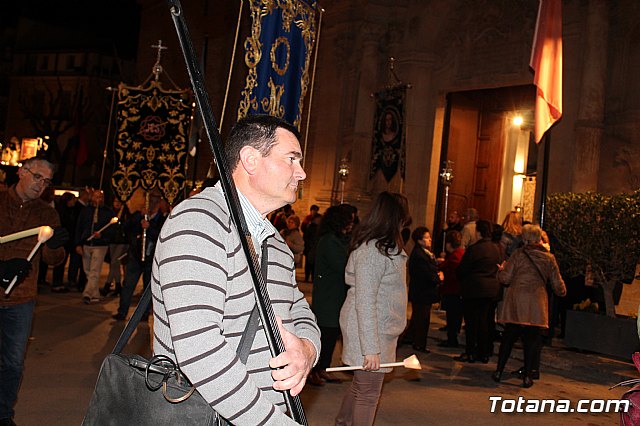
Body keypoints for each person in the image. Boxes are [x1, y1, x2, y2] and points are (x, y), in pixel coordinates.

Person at [151, 115, 320, 424]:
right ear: (251, 160)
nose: (302, 172)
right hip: (206, 415)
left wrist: (308, 350)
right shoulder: (199, 221)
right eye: (291, 159)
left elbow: (299, 309)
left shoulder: (276, 243)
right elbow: (199, 349)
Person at [0, 157, 68, 425]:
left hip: (21, 299)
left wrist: (55, 247)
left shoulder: (46, 214)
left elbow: (53, 261)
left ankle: (3, 413)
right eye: (37, 177)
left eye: (47, 181)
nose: (42, 185)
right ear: (21, 172)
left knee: (13, 364)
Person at [335, 191, 411, 426]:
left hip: (378, 329)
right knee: (368, 393)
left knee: (362, 386)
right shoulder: (372, 252)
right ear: (394, 219)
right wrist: (371, 349)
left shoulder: (383, 248)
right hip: (369, 330)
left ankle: (342, 423)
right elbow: (365, 301)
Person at [492, 224, 566, 388]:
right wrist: (562, 291)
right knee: (531, 341)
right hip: (536, 302)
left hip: (516, 302)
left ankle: (498, 371)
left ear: (524, 238)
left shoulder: (518, 255)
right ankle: (527, 376)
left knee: (509, 338)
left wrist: (501, 270)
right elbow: (558, 285)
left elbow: (505, 278)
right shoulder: (549, 258)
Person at [308, 204, 354, 386]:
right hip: (328, 296)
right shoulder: (329, 241)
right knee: (325, 335)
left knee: (332, 333)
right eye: (349, 219)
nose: (352, 223)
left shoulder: (338, 239)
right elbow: (342, 266)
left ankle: (324, 369)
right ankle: (314, 371)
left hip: (336, 296)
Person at [111, 193, 165, 321]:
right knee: (128, 285)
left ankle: (144, 314)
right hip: (135, 256)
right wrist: (139, 217)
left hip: (150, 258)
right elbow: (126, 227)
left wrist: (149, 228)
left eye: (153, 201)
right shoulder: (139, 215)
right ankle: (122, 311)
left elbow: (161, 236)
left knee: (147, 288)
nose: (150, 204)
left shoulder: (162, 220)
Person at [454, 220, 502, 364]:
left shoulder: (475, 249)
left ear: (478, 232)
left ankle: (470, 352)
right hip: (491, 289)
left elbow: (462, 269)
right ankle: (484, 351)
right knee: (485, 321)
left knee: (472, 322)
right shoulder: (497, 248)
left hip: (474, 289)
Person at [404, 226, 442, 354]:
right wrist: (438, 277)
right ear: (419, 240)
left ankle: (410, 338)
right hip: (422, 292)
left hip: (423, 292)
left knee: (418, 317)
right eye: (426, 237)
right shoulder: (419, 255)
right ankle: (419, 344)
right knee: (422, 319)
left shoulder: (425, 253)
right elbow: (426, 275)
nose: (430, 239)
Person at [75, 190, 115, 304]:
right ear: (92, 197)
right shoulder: (86, 211)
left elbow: (112, 230)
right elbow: (79, 227)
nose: (99, 199)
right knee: (87, 270)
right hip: (87, 244)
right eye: (97, 197)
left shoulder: (108, 212)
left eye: (101, 197)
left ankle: (87, 294)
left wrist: (102, 235)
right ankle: (95, 293)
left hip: (100, 245)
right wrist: (78, 244)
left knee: (94, 270)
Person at [437, 230, 465, 348]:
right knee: (456, 316)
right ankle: (453, 336)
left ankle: (452, 339)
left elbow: (453, 273)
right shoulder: (461, 253)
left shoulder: (455, 256)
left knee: (453, 316)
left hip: (453, 290)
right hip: (458, 290)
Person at [100, 197, 130, 297]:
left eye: (118, 202)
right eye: (115, 201)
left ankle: (107, 285)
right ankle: (118, 286)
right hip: (113, 240)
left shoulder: (125, 212)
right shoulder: (111, 212)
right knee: (114, 264)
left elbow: (127, 225)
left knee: (114, 262)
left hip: (122, 241)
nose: (116, 203)